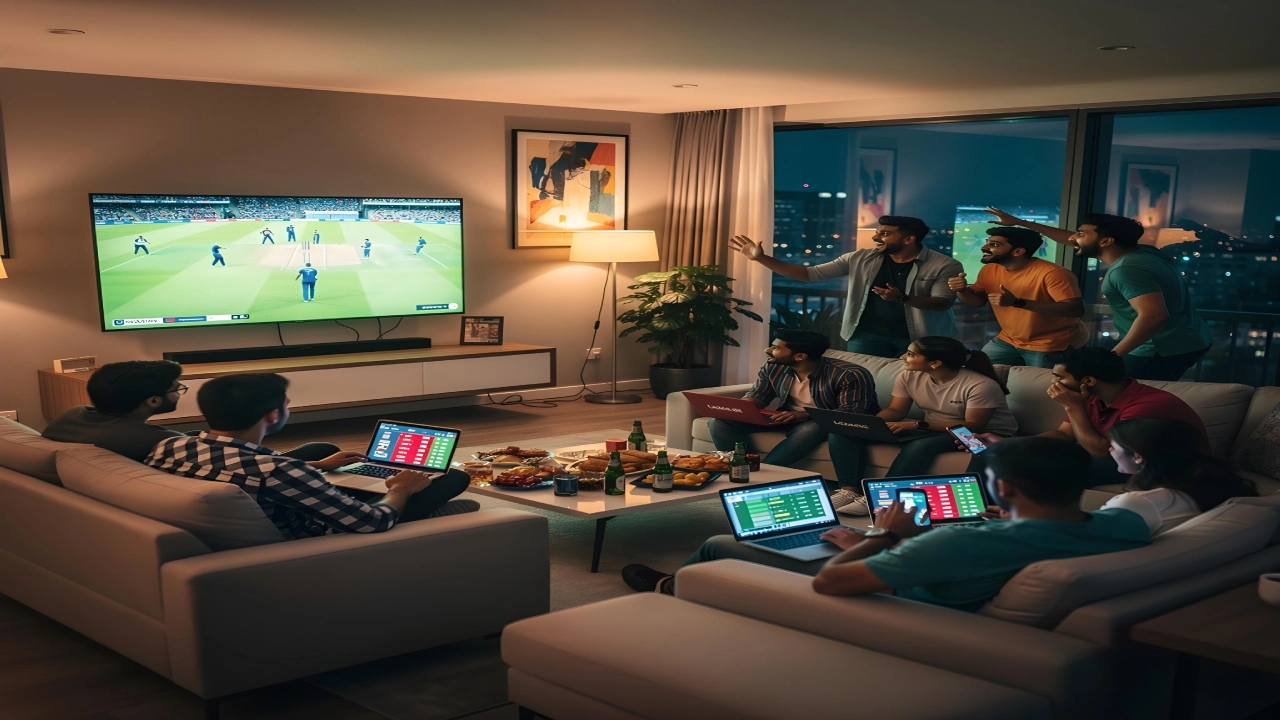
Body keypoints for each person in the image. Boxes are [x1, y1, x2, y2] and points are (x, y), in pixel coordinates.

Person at [622, 438, 1150, 603]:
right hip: (934, 561)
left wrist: (882, 535)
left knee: (718, 541)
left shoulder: (957, 547)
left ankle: (672, 589)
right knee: (830, 537)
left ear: (1005, 488)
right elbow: (1020, 537)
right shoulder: (1126, 525)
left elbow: (832, 582)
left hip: (886, 597)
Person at [145, 373, 474, 541]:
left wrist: (316, 465)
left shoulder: (172, 444)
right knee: (455, 477)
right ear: (273, 415)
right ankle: (438, 514)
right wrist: (400, 489)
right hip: (315, 536)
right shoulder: (279, 471)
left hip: (265, 500)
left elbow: (244, 465)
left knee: (322, 449)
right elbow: (374, 522)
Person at [986, 208, 1211, 380]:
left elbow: (1154, 316)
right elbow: (1074, 239)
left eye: (1081, 233)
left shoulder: (1126, 270)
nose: (1073, 238)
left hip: (1157, 348)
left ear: (1106, 241)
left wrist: (1112, 356)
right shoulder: (1145, 253)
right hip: (1191, 338)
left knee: (1123, 399)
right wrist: (1019, 222)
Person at [831, 337, 1018, 515]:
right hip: (930, 427)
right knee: (843, 432)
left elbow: (973, 425)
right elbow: (896, 410)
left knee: (921, 446)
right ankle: (850, 490)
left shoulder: (980, 384)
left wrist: (917, 424)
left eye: (911, 354)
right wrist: (872, 425)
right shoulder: (908, 375)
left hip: (980, 433)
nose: (903, 357)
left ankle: (882, 499)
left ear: (935, 363)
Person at [970, 347, 1207, 486]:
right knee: (994, 454)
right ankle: (970, 516)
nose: (1054, 383)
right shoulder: (1090, 396)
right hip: (1119, 459)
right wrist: (1011, 444)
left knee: (1037, 469)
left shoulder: (1146, 406)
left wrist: (1074, 409)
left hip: (1157, 468)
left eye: (1059, 377)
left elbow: (1102, 452)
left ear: (1089, 381)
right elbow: (1064, 433)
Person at [730, 216, 962, 358]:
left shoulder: (945, 265)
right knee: (865, 385)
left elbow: (943, 302)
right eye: (878, 231)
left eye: (885, 233)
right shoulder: (860, 258)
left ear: (909, 239)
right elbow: (808, 275)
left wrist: (902, 298)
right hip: (866, 335)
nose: (876, 237)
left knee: (914, 388)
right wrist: (761, 259)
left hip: (919, 338)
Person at [42, 361, 340, 463]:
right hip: (238, 476)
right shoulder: (163, 444)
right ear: (153, 401)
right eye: (176, 388)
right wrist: (306, 467)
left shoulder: (70, 416)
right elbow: (235, 462)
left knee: (317, 452)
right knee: (320, 448)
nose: (178, 392)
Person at [709, 329, 878, 496]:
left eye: (775, 348)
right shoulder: (772, 366)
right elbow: (759, 395)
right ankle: (741, 469)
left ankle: (761, 477)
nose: (767, 350)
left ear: (800, 356)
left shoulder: (849, 374)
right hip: (786, 416)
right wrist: (738, 409)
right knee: (719, 422)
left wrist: (806, 414)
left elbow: (850, 411)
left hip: (825, 421)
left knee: (808, 430)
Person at [948, 226, 1086, 367]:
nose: (984, 247)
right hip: (1008, 340)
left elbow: (1075, 309)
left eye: (994, 245)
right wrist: (961, 290)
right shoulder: (989, 269)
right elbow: (976, 302)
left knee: (1040, 388)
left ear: (1018, 251)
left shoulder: (1053, 273)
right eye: (987, 242)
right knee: (978, 370)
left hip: (1049, 344)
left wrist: (1017, 302)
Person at [1105, 418, 1256, 536]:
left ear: (1138, 456)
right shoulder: (1218, 488)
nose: (1110, 450)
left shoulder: (1135, 504)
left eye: (1113, 446)